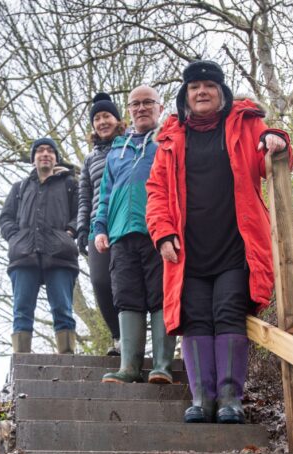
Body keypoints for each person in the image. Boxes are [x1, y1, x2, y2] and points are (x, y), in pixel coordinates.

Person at [146, 61, 292, 423]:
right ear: (185, 95)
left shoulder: (243, 124)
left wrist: (276, 138)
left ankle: (230, 400)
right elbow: (156, 192)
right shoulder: (169, 137)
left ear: (222, 92)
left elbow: (267, 154)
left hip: (234, 247)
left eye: (209, 86)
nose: (201, 92)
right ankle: (201, 400)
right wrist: (162, 233)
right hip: (187, 251)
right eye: (194, 87)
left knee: (227, 314)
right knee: (195, 318)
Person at [93, 85, 176, 384]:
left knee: (159, 296)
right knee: (126, 297)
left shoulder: (169, 141)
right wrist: (99, 228)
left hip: (157, 233)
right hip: (120, 236)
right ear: (128, 110)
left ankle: (163, 365)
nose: (141, 108)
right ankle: (129, 367)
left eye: (147, 103)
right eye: (135, 104)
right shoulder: (117, 149)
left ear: (159, 106)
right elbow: (105, 193)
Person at [0, 137, 80, 354]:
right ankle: (21, 361)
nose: (45, 154)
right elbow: (6, 217)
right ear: (33, 158)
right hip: (24, 255)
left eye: (50, 151)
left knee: (63, 309)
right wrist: (15, 237)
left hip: (60, 254)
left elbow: (81, 214)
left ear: (56, 158)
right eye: (40, 151)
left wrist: (70, 232)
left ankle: (67, 361)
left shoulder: (70, 185)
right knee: (22, 310)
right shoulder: (20, 188)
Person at [76, 93, 126, 356]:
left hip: (126, 222)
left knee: (127, 284)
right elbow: (85, 195)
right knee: (100, 281)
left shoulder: (130, 145)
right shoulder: (89, 158)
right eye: (97, 118)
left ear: (117, 119)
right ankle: (118, 336)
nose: (102, 121)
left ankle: (133, 340)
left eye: (106, 115)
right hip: (99, 226)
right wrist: (83, 227)